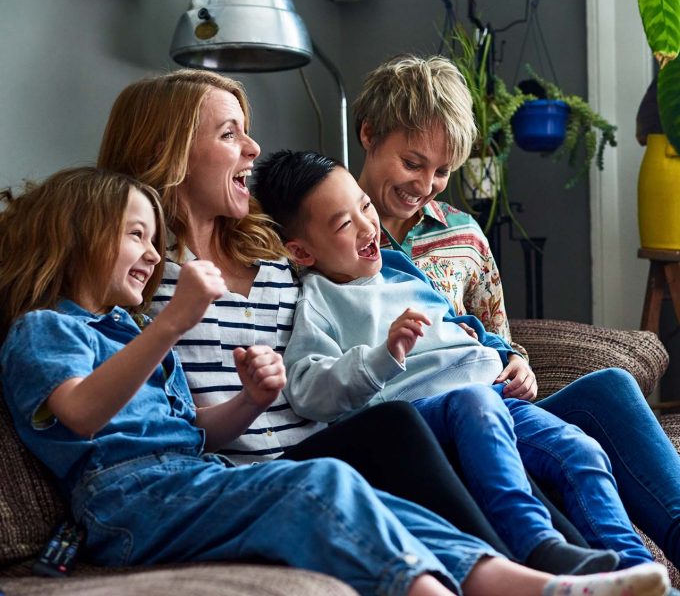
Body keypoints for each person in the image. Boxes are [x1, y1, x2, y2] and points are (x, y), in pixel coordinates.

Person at [1, 168, 670, 596]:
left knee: (371, 494)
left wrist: (249, 400)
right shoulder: (46, 330)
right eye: (135, 236)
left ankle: (537, 582)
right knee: (325, 480)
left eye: (154, 238)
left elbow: (192, 431)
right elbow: (82, 415)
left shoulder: (132, 335)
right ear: (76, 236)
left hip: (193, 476)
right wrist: (171, 325)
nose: (151, 253)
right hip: (128, 503)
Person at [96, 68, 518, 559]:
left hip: (323, 448)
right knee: (402, 425)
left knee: (459, 424)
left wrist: (481, 341)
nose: (253, 148)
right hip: (240, 475)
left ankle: (550, 563)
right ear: (166, 153)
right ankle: (518, 569)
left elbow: (369, 289)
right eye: (230, 134)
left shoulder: (275, 252)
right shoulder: (137, 278)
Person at [252, 148, 653, 573]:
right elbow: (308, 388)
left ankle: (639, 572)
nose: (367, 226)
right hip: (431, 413)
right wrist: (382, 356)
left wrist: (503, 354)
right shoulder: (319, 302)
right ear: (301, 252)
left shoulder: (400, 269)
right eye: (345, 223)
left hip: (494, 397)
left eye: (365, 206)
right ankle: (535, 543)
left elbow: (459, 324)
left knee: (580, 450)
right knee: (474, 403)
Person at [352, 53, 680, 569]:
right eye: (412, 163)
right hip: (421, 417)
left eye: (442, 171)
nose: (425, 184)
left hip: (493, 403)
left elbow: (496, 336)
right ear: (369, 134)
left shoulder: (462, 233)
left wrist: (518, 364)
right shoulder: (324, 231)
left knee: (611, 385)